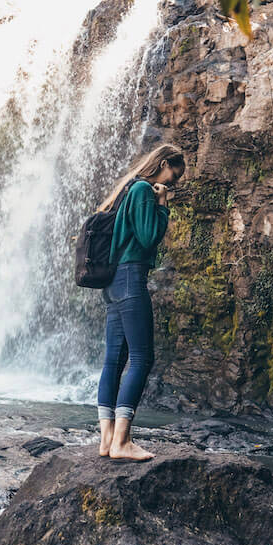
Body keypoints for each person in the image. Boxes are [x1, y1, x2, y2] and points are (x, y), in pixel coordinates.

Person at [95, 143, 185, 461]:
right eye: (173, 177)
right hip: (131, 278)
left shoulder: (127, 189)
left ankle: (107, 441)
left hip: (112, 282)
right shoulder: (144, 190)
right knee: (142, 357)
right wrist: (162, 203)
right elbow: (148, 237)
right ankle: (122, 441)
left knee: (113, 361)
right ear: (162, 164)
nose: (171, 184)